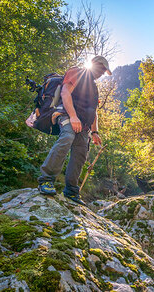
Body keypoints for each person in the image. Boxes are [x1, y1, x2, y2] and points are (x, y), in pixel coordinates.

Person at [37, 56, 112, 205]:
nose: (102, 73)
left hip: (84, 125)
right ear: (94, 64)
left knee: (81, 152)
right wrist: (73, 117)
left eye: (104, 72)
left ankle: (71, 191)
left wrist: (95, 132)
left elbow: (93, 111)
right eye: (102, 69)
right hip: (66, 115)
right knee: (67, 137)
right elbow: (65, 93)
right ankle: (46, 180)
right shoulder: (76, 72)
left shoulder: (94, 87)